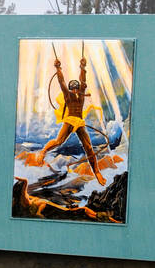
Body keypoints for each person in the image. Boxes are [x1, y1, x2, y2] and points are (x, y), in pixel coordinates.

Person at [33, 54, 105, 186]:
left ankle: (97, 172)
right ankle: (43, 151)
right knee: (59, 141)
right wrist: (58, 68)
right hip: (70, 120)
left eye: (77, 89)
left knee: (88, 147)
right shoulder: (68, 95)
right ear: (71, 89)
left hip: (79, 122)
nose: (76, 90)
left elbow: (83, 81)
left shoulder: (81, 95)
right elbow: (61, 82)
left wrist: (83, 67)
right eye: (73, 89)